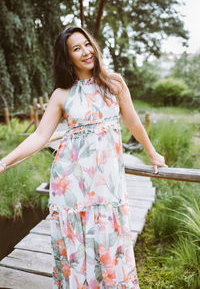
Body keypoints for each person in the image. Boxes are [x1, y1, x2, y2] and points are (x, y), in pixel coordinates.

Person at [0, 25, 167, 288]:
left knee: (109, 245)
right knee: (78, 247)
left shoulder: (114, 83)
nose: (86, 51)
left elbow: (132, 120)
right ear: (67, 58)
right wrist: (4, 162)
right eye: (76, 49)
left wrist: (152, 152)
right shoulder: (61, 95)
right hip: (72, 185)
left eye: (87, 44)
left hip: (107, 185)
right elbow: (40, 136)